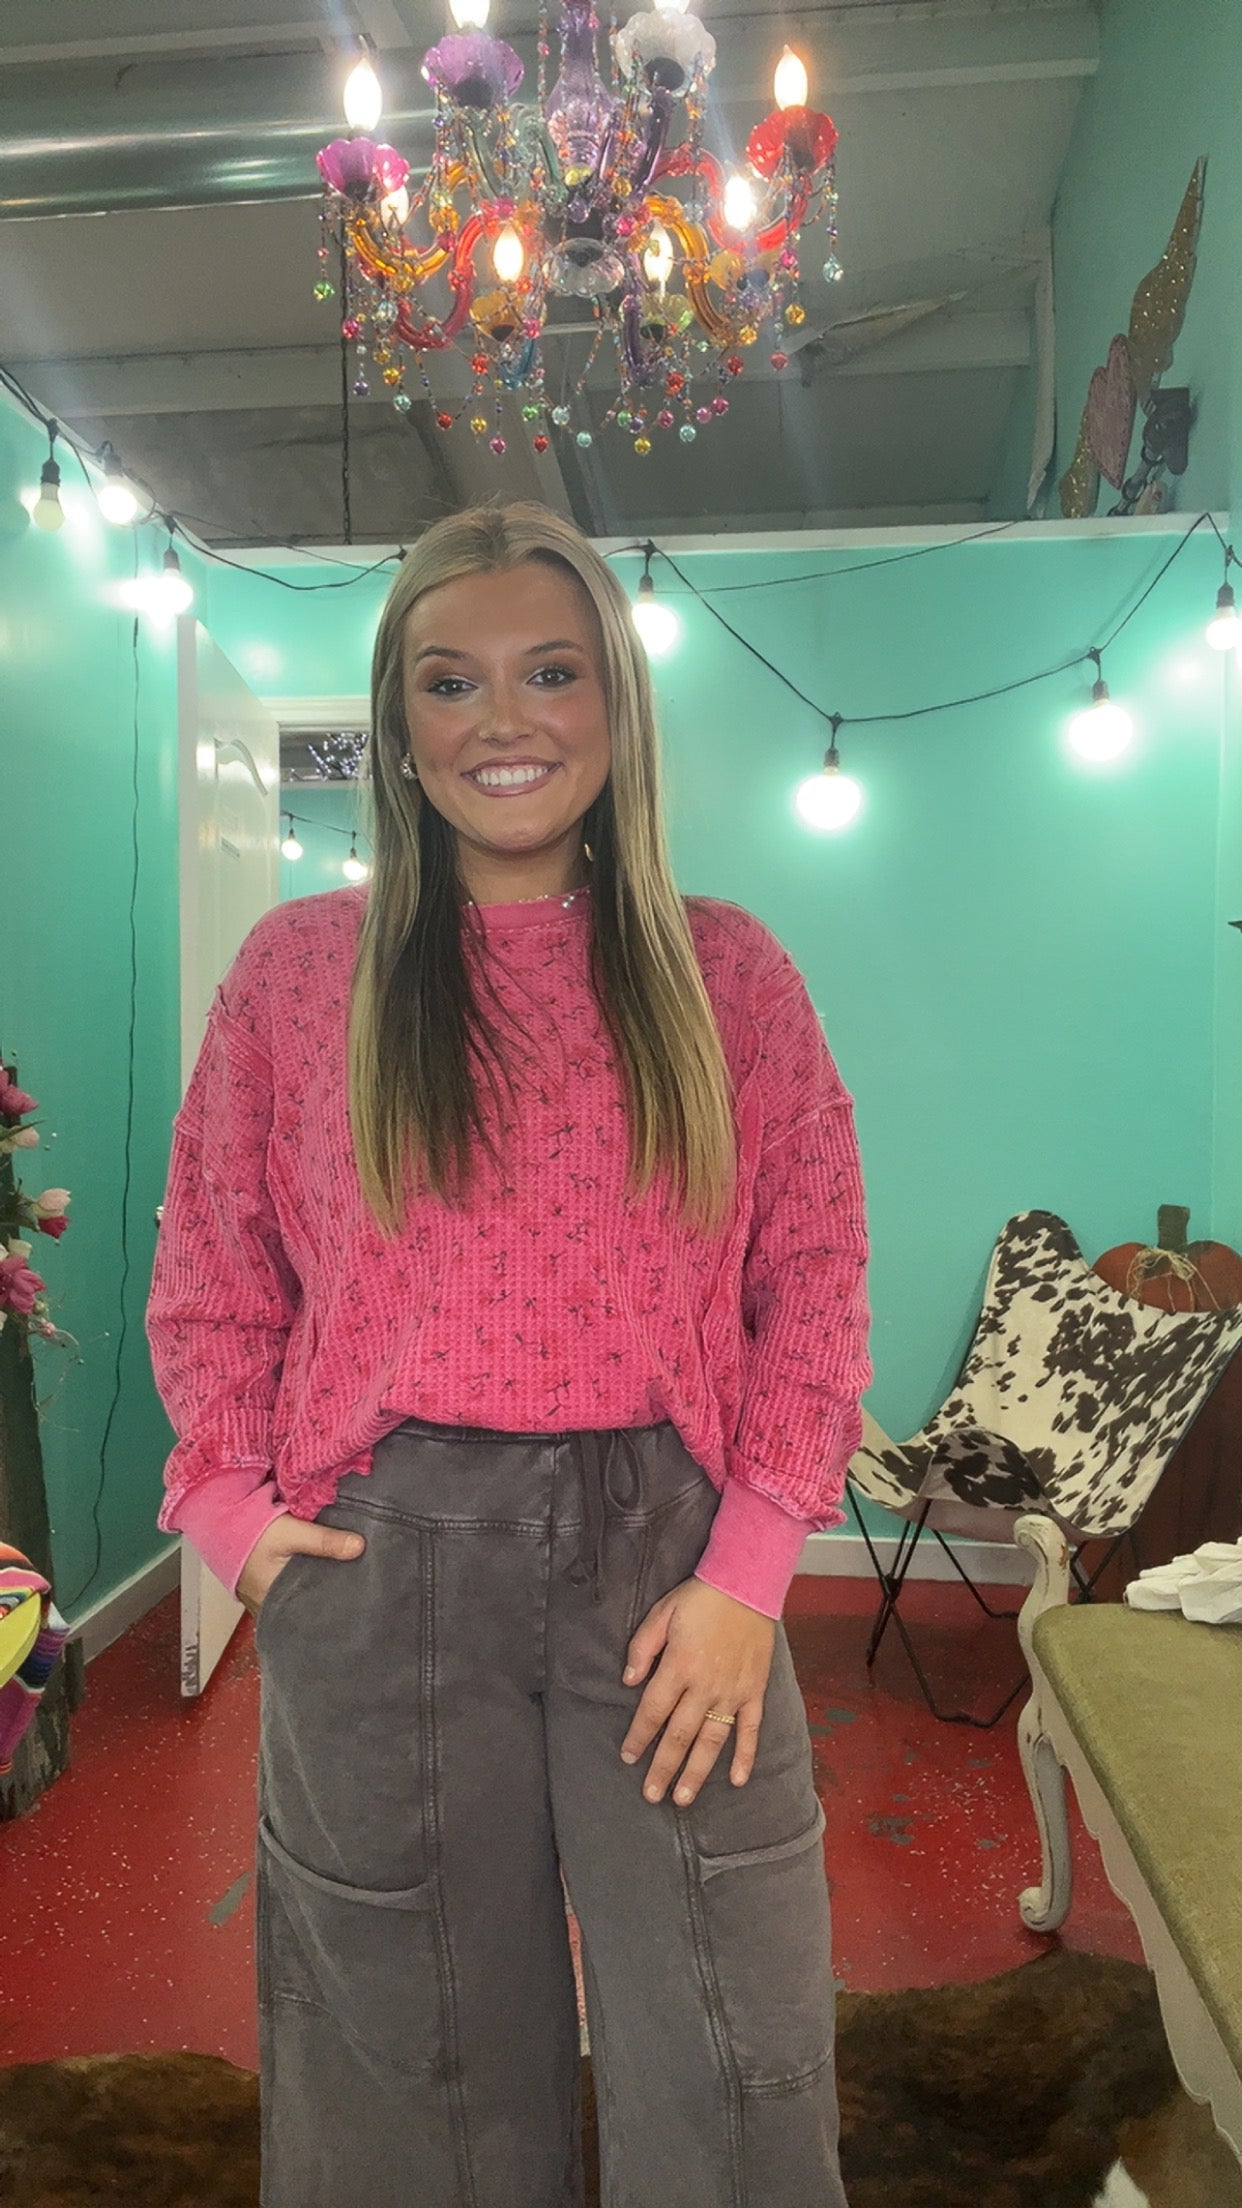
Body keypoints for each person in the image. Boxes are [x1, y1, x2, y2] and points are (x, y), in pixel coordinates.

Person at [146, 501, 870, 2208]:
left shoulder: (727, 973)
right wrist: (233, 1521)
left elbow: (815, 1282)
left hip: (673, 1570)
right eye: (448, 680)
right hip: (380, 1565)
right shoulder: (298, 975)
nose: (502, 720)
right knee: (405, 2063)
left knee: (731, 2044)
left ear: (615, 703)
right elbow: (213, 1273)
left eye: (550, 672)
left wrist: (752, 1572)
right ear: (398, 727)